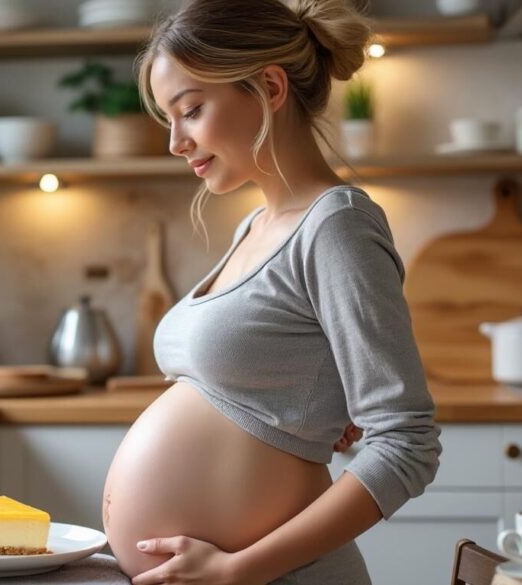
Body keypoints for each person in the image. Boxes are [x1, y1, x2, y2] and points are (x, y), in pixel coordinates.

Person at [99, 0, 442, 583]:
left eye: (192, 110)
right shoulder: (254, 227)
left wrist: (239, 569)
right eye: (169, 119)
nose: (176, 142)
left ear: (270, 87)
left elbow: (407, 442)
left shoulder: (337, 225)